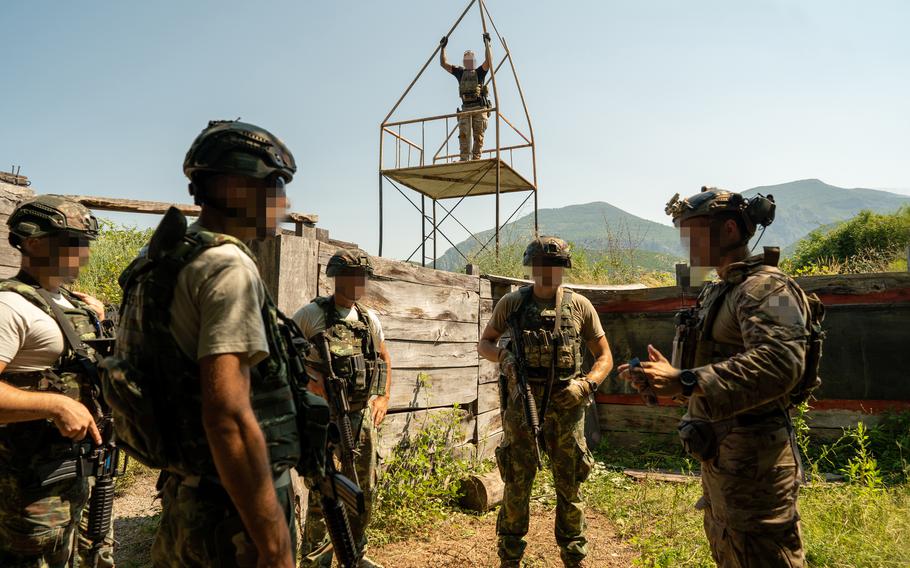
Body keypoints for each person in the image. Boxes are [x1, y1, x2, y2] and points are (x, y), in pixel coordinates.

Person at [106, 120, 301, 568]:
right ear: (234, 187)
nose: (285, 202)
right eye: (274, 185)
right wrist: (272, 539)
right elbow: (227, 414)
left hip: (187, 496)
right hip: (232, 515)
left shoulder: (160, 260)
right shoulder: (226, 265)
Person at [618, 187, 814, 567]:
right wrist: (663, 383)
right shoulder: (719, 290)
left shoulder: (768, 287)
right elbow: (707, 376)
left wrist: (687, 380)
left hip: (757, 466)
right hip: (721, 461)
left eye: (692, 234)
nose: (686, 245)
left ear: (728, 230)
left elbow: (782, 362)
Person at [478, 236, 614, 568]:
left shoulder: (580, 305)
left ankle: (573, 556)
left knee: (569, 488)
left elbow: (605, 357)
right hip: (522, 408)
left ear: (563, 268)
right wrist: (506, 358)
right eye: (541, 266)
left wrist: (585, 386)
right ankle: (510, 557)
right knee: (517, 485)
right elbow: (485, 344)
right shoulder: (511, 304)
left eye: (554, 266)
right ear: (533, 267)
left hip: (567, 409)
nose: (547, 273)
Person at [0, 194, 116, 567]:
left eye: (85, 243)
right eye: (73, 242)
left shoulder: (75, 304)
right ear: (32, 241)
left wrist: (97, 319)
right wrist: (54, 404)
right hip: (30, 489)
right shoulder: (10, 307)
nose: (83, 252)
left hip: (81, 476)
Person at [293, 249, 392, 568]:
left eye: (363, 277)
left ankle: (355, 554)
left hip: (360, 417)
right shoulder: (311, 315)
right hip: (323, 418)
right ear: (337, 278)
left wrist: (382, 398)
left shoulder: (368, 319)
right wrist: (310, 382)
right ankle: (314, 558)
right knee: (324, 490)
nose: (360, 283)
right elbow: (284, 359)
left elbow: (384, 359)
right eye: (354, 277)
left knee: (364, 489)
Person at [439, 32, 494, 161]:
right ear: (464, 61)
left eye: (471, 59)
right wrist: (443, 48)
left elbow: (489, 61)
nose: (469, 60)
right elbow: (443, 63)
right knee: (463, 135)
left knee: (478, 136)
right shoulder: (459, 72)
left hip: (479, 109)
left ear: (474, 61)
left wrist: (488, 44)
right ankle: (464, 159)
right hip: (465, 109)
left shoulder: (479, 72)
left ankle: (476, 159)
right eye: (466, 58)